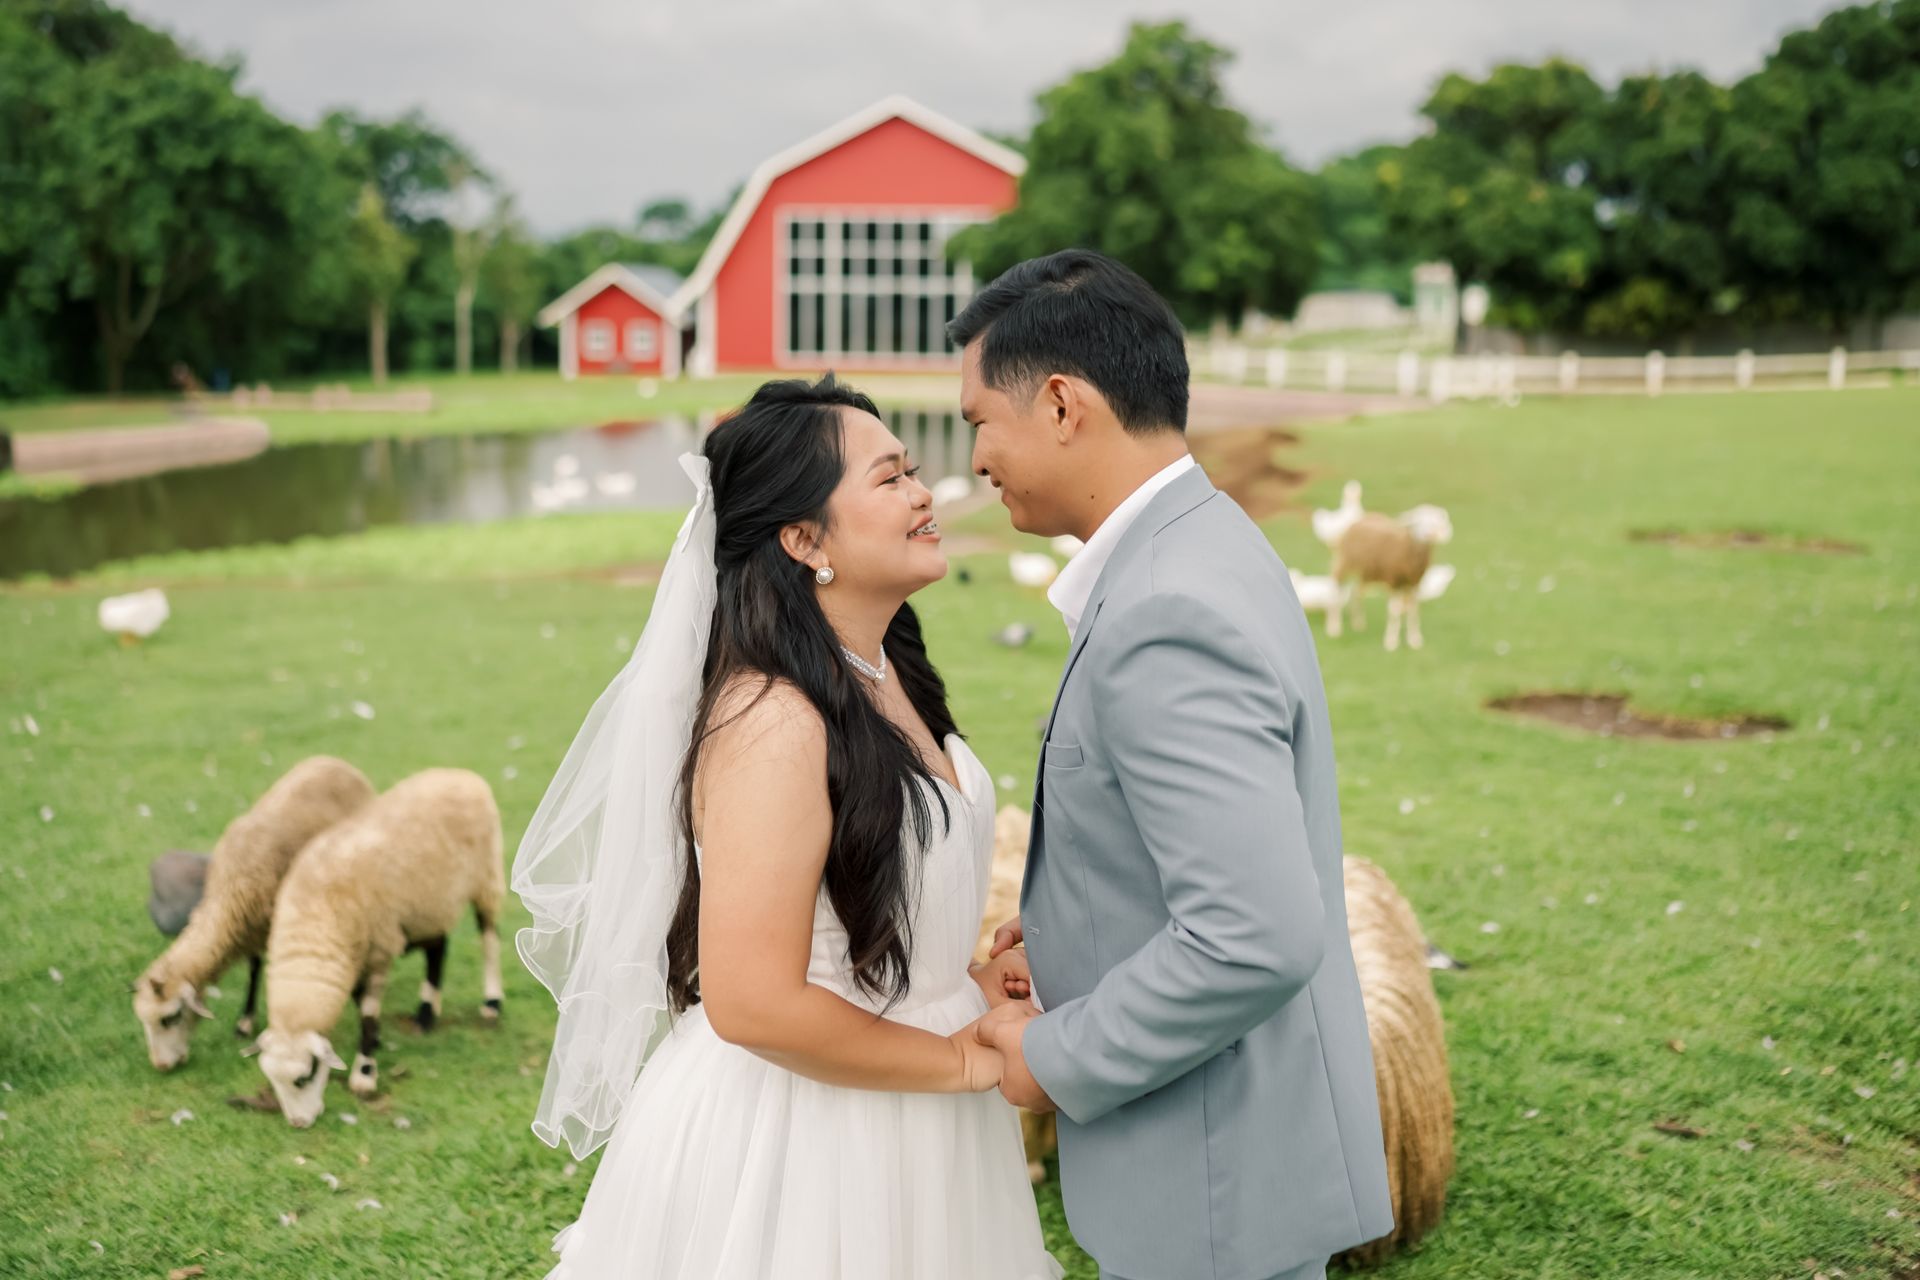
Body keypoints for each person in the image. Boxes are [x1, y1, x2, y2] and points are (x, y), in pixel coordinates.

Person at [514, 375, 1063, 1278]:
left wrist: (960, 981)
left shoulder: (887, 670)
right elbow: (752, 1000)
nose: (924, 492)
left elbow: (861, 916)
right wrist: (961, 1061)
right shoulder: (771, 720)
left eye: (911, 470)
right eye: (890, 478)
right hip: (803, 1138)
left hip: (917, 1106)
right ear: (805, 540)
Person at [958, 249, 1397, 1280]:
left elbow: (1253, 934)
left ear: (1060, 404)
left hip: (1211, 1185)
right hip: (1235, 1162)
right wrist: (1070, 931)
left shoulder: (1165, 608)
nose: (974, 457)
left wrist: (1052, 1057)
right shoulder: (1209, 538)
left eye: (979, 419)